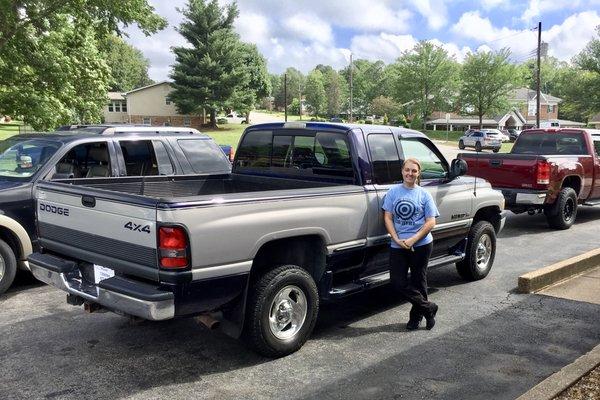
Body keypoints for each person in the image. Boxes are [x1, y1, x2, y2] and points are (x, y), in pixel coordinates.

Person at [382, 158, 440, 330]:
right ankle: (429, 308)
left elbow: (431, 222)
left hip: (421, 244)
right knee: (397, 282)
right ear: (402, 171)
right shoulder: (393, 192)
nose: (410, 173)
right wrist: (396, 238)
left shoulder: (424, 194)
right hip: (398, 244)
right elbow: (387, 217)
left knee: (418, 281)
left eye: (414, 171)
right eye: (407, 170)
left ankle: (416, 319)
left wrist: (414, 239)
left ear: (418, 173)